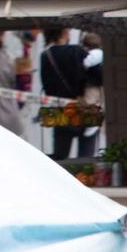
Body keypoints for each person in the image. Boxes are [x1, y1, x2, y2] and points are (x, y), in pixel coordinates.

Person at [37, 25, 96, 160]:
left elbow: (47, 87)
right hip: (85, 107)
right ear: (64, 32)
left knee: (60, 158)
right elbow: (96, 75)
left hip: (58, 109)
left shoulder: (45, 56)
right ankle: (84, 181)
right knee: (87, 158)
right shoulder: (78, 51)